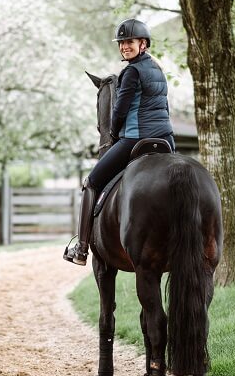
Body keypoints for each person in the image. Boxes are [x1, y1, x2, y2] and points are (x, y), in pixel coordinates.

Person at [63, 18, 175, 266]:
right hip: (165, 139)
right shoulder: (158, 70)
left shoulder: (131, 72)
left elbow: (120, 109)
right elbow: (164, 107)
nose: (125, 46)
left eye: (130, 42)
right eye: (122, 43)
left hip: (135, 138)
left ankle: (81, 248)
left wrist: (113, 133)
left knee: (91, 182)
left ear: (143, 44)